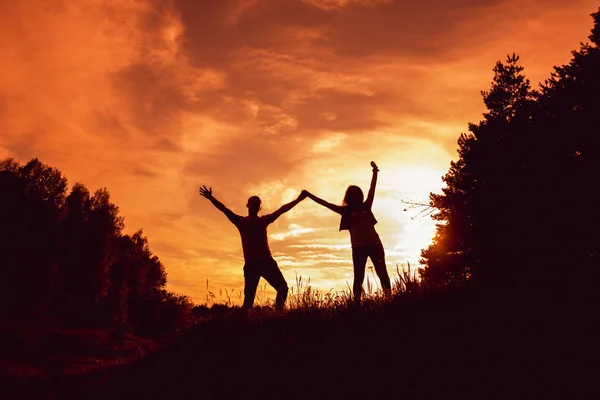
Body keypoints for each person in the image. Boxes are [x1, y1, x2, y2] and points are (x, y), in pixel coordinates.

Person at [198, 186, 307, 311]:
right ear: (247, 205)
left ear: (259, 208)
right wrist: (211, 198)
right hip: (252, 264)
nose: (254, 206)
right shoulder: (241, 221)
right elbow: (224, 209)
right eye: (252, 203)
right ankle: (246, 324)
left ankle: (278, 314)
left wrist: (298, 200)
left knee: (282, 288)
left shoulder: (263, 220)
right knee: (248, 300)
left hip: (267, 262)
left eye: (257, 204)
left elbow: (282, 210)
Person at [305, 161, 391, 302]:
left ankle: (389, 298)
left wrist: (375, 172)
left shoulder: (366, 206)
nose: (356, 196)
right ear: (349, 197)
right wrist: (309, 195)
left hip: (374, 244)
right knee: (359, 277)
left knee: (382, 272)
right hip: (358, 248)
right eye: (353, 194)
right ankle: (356, 302)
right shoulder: (345, 211)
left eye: (357, 194)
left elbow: (372, 189)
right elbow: (325, 203)